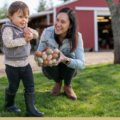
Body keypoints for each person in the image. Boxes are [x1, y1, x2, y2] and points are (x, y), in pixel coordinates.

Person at [1, 1, 44, 117]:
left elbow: (36, 35)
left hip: (25, 64)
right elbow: (8, 43)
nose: (24, 20)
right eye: (20, 17)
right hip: (12, 65)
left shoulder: (24, 28)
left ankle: (31, 109)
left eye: (26, 17)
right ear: (10, 16)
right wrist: (24, 40)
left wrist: (31, 32)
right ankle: (9, 104)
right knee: (13, 87)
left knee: (30, 85)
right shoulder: (8, 29)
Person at [37, 7, 85, 100]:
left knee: (67, 56)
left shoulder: (77, 37)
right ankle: (57, 82)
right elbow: (39, 53)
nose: (58, 24)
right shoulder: (47, 32)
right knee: (53, 56)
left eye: (63, 22)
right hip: (50, 69)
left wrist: (66, 60)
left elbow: (81, 64)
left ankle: (67, 85)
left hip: (69, 71)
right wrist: (42, 57)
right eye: (57, 20)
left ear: (70, 25)